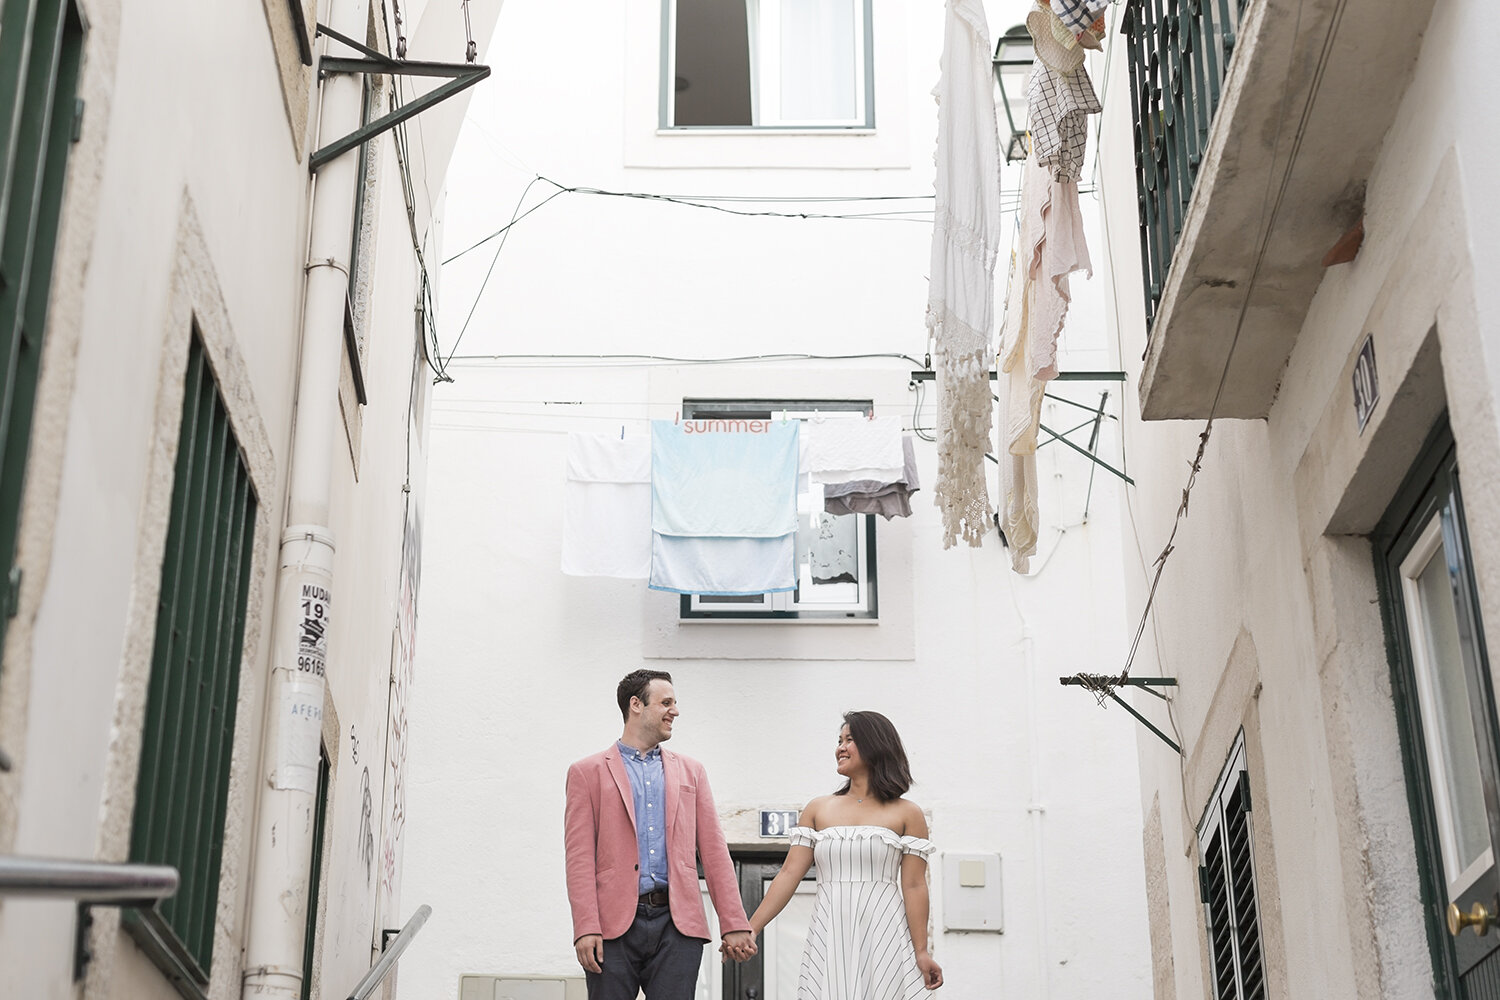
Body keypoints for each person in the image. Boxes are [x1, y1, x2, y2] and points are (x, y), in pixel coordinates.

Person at [565, 668, 757, 999]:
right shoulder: (586, 773)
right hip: (611, 928)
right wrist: (585, 927)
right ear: (636, 704)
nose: (675, 711)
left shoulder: (691, 772)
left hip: (677, 924)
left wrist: (735, 923)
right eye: (666, 702)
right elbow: (579, 858)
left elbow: (714, 852)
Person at [743, 710, 944, 997]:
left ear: (875, 745)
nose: (840, 747)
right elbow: (788, 874)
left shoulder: (907, 812)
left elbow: (913, 885)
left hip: (883, 928)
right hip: (830, 928)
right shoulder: (818, 808)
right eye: (839, 740)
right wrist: (752, 928)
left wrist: (921, 951)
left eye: (849, 740)